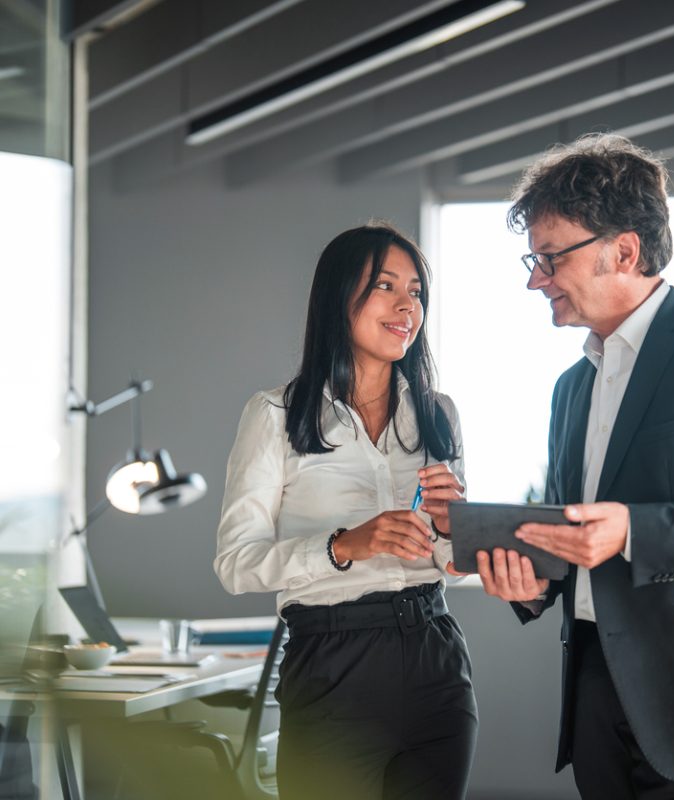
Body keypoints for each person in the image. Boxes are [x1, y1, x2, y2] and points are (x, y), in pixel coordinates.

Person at [474, 133, 674, 798]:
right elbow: (578, 539)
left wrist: (632, 530)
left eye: (549, 257)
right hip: (597, 687)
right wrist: (532, 584)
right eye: (531, 260)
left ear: (623, 251)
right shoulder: (571, 387)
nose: (536, 279)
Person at [214, 222, 478, 800]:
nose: (406, 305)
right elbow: (236, 564)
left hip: (435, 659)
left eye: (416, 291)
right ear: (339, 296)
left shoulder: (438, 414)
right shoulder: (275, 415)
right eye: (385, 286)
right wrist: (342, 546)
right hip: (333, 662)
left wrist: (455, 526)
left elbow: (458, 564)